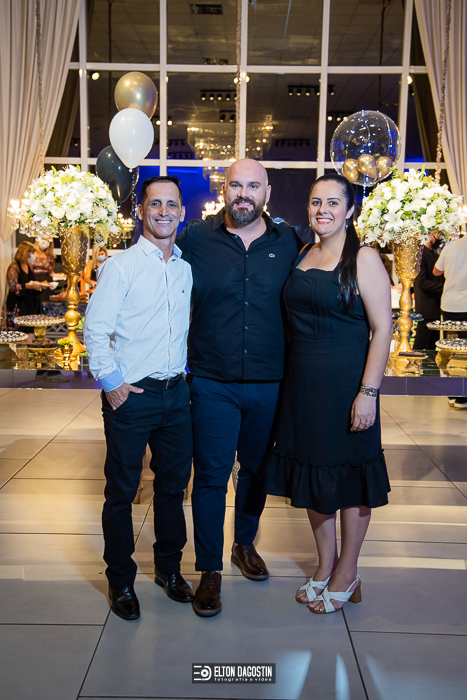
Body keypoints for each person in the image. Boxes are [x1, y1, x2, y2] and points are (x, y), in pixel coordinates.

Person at [177, 159, 302, 617]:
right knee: (210, 476)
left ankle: (243, 543)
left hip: (270, 381)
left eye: (253, 186)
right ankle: (209, 568)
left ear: (267, 192)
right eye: (236, 185)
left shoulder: (290, 242)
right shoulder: (195, 239)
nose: (243, 194)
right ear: (224, 189)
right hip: (212, 380)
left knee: (256, 471)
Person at [267, 174, 393, 614]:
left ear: (350, 210)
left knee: (350, 479)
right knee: (313, 474)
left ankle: (348, 571)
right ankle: (326, 565)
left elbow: (382, 330)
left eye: (333, 202)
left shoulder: (364, 258)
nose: (323, 210)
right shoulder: (304, 252)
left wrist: (368, 392)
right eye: (316, 201)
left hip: (346, 387)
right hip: (302, 388)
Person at [83, 176, 193, 621]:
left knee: (172, 488)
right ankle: (120, 580)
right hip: (132, 396)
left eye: (172, 204)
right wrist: (113, 384)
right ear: (142, 211)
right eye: (155, 204)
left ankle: (169, 569)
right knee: (122, 492)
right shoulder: (121, 266)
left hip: (176, 395)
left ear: (182, 212)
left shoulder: (185, 269)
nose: (164, 211)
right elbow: (95, 330)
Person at [433, 233, 467, 409]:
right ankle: (463, 395)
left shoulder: (451, 246)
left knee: (451, 348)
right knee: (465, 351)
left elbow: (436, 271)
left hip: (450, 303)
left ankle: (453, 393)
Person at [6, 241, 47, 336]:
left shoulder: (29, 266)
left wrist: (41, 286)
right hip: (17, 306)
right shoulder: (14, 267)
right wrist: (27, 285)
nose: (33, 255)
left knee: (31, 331)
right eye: (31, 252)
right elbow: (12, 287)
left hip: (29, 304)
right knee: (19, 333)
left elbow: (32, 283)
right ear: (25, 252)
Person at [412, 232, 444, 350]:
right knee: (421, 342)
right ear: (430, 235)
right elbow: (421, 282)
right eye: (437, 235)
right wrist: (443, 287)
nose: (439, 239)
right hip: (426, 306)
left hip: (435, 306)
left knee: (432, 343)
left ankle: (430, 362)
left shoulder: (433, 253)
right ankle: (415, 361)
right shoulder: (421, 254)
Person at [30, 238, 56, 305]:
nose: (44, 242)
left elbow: (51, 271)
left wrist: (56, 276)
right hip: (33, 281)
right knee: (33, 304)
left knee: (44, 304)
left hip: (46, 283)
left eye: (47, 240)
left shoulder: (50, 256)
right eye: (43, 239)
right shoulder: (31, 253)